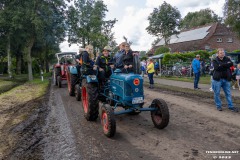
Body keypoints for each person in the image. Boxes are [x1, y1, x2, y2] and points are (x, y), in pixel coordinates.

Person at [212, 48, 238, 112]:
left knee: (228, 93)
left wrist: (222, 65)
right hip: (217, 79)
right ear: (217, 54)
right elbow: (217, 68)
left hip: (226, 79)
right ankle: (218, 106)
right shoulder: (215, 60)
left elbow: (231, 64)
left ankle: (231, 106)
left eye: (223, 52)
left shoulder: (227, 58)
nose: (222, 54)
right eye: (221, 53)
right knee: (217, 93)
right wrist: (226, 65)